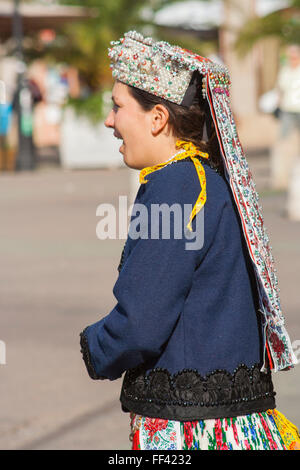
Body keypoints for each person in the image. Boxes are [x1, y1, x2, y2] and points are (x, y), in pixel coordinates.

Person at [80, 31, 300, 451]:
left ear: (158, 117)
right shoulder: (202, 178)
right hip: (226, 420)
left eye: (118, 106)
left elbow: (141, 322)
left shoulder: (175, 187)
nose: (110, 120)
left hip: (192, 430)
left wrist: (96, 345)